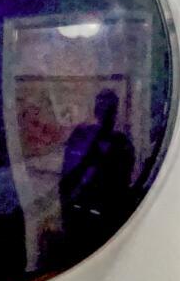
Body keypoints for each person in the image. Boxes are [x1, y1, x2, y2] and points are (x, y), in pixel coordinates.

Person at [48, 87, 137, 270]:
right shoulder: (81, 136)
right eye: (102, 107)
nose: (106, 112)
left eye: (110, 108)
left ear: (116, 111)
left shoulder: (121, 143)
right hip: (78, 218)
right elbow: (68, 179)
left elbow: (123, 182)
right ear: (96, 109)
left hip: (110, 221)